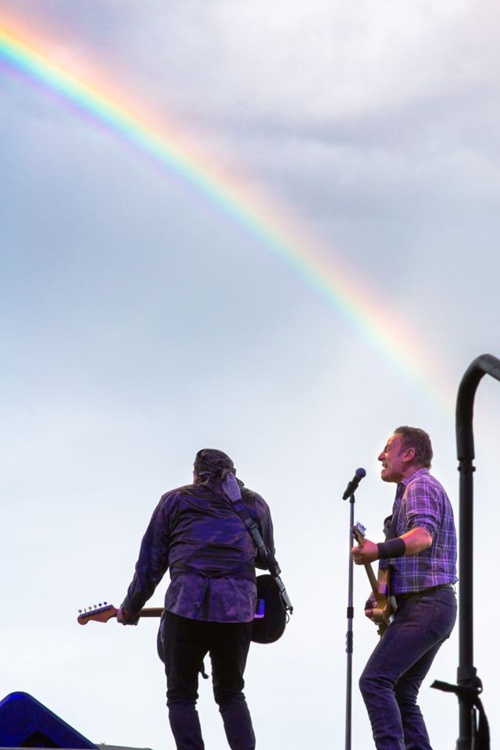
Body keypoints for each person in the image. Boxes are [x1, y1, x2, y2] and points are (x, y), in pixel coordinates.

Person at [117, 448, 275, 750]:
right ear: (233, 473)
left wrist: (130, 607)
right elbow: (267, 560)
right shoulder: (255, 504)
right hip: (237, 611)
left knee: (181, 695)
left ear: (196, 474)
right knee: (231, 694)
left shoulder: (174, 501)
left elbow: (150, 566)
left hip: (186, 607)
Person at [351, 426, 457, 750]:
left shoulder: (420, 485)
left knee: (375, 681)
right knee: (401, 694)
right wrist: (381, 597)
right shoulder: (407, 495)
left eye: (388, 449)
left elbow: (423, 536)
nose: (381, 456)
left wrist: (377, 550)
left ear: (408, 454)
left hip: (427, 604)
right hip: (429, 606)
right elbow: (412, 552)